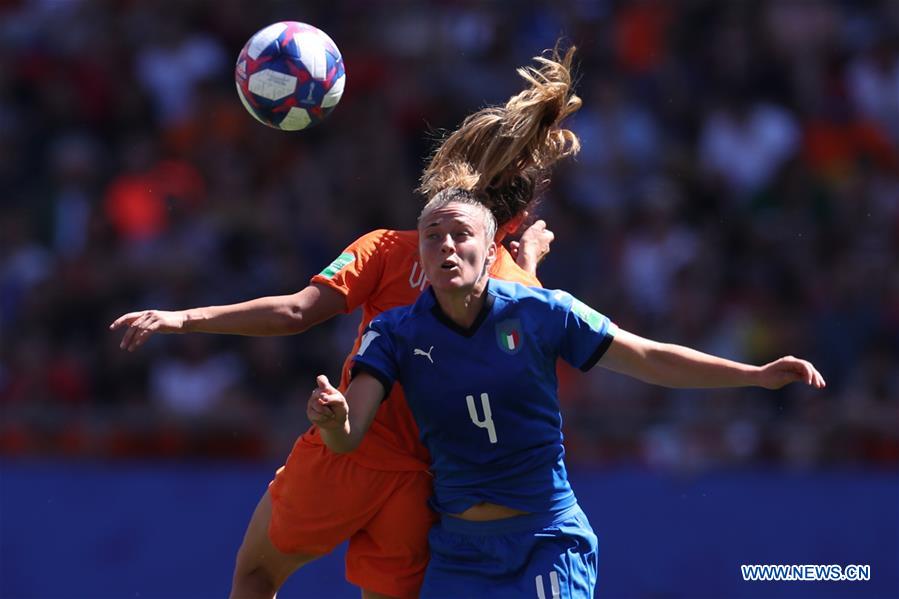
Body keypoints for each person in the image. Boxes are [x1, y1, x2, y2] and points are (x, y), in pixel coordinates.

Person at [110, 46, 582, 599]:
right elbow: (532, 353)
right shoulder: (518, 289)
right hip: (421, 485)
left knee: (257, 576)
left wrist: (183, 318)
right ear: (520, 215)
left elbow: (296, 312)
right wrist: (527, 263)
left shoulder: (387, 248)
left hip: (345, 453)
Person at [308, 189, 826, 598]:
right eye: (431, 235)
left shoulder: (542, 311)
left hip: (546, 542)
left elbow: (647, 356)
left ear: (490, 251)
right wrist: (334, 421)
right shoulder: (395, 331)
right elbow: (348, 438)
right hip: (459, 553)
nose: (445, 244)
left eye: (459, 233)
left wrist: (753, 374)